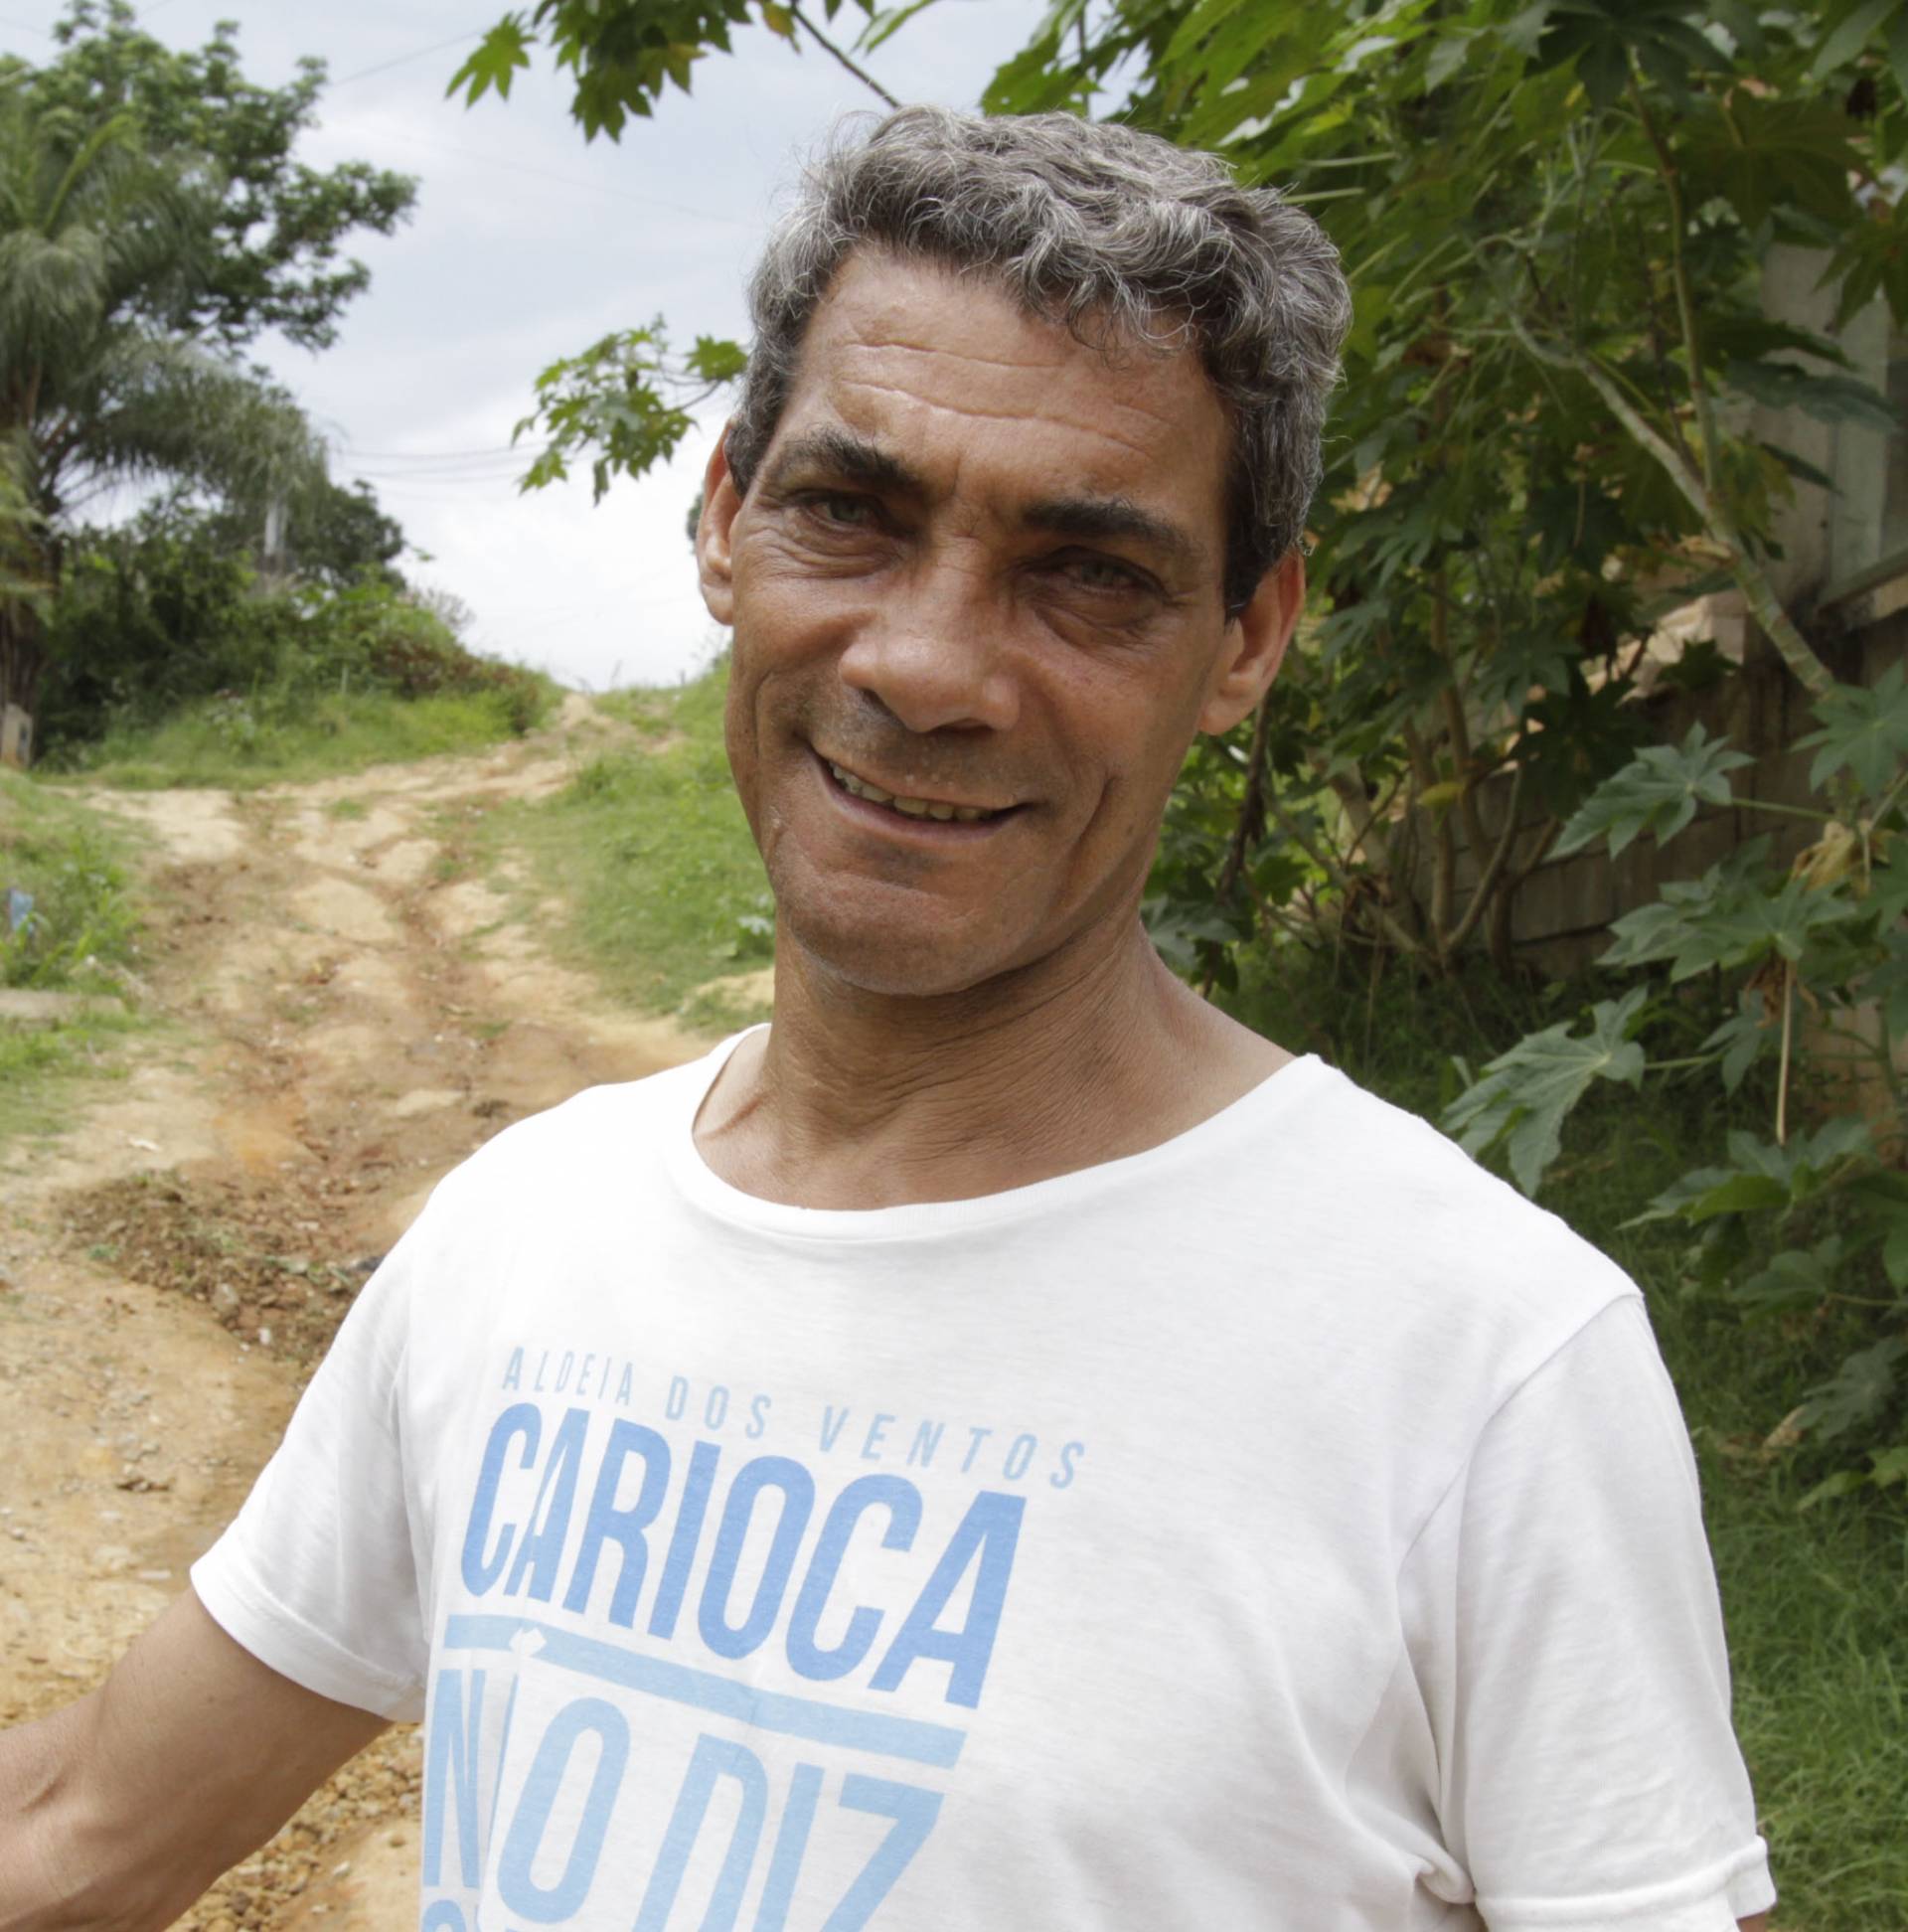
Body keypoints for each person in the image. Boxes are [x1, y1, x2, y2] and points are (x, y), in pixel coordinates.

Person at [0, 106, 1775, 1932]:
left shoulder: (1481, 1365)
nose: (925, 668)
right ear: (726, 518)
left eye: (1090, 573)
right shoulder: (520, 1237)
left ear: (1247, 637)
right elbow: (84, 1825)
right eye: (849, 514)